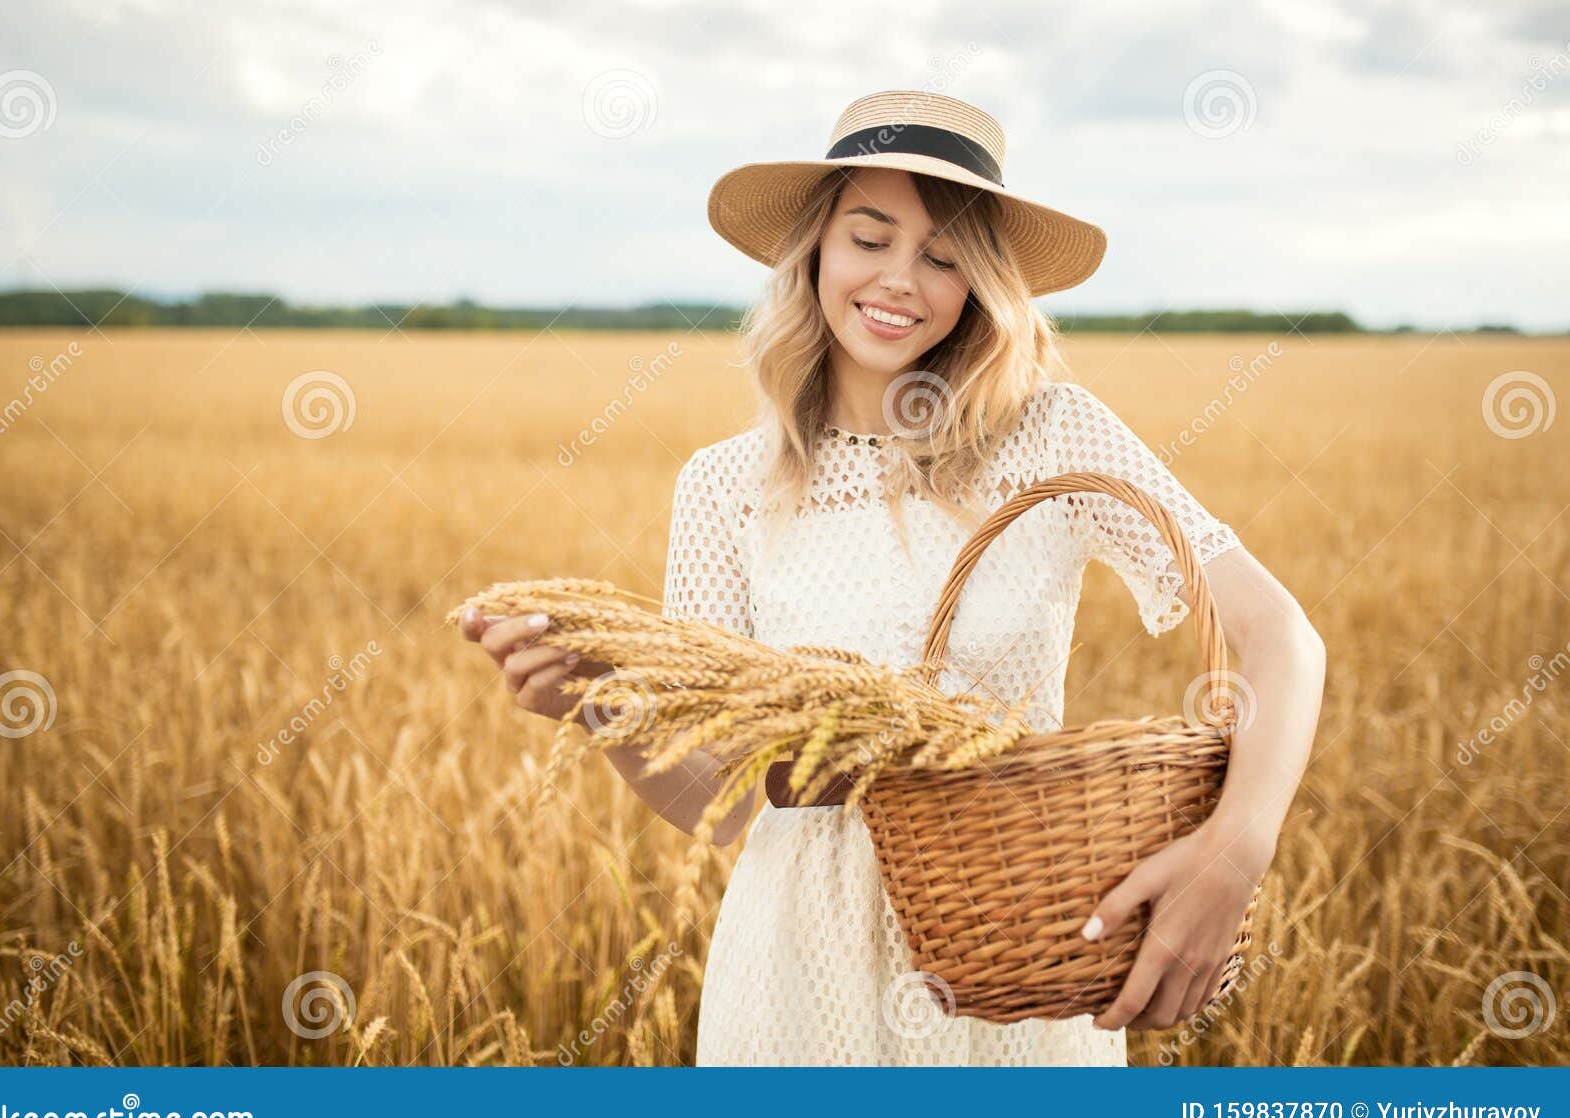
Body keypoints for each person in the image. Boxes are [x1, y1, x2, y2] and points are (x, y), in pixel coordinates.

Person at [459, 90, 1325, 1065]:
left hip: (1014, 948)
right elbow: (735, 802)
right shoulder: (723, 486)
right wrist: (596, 704)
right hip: (795, 966)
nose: (899, 280)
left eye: (945, 256)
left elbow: (1282, 634)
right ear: (816, 248)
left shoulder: (1050, 435)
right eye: (869, 237)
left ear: (983, 284)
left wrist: (1232, 854)